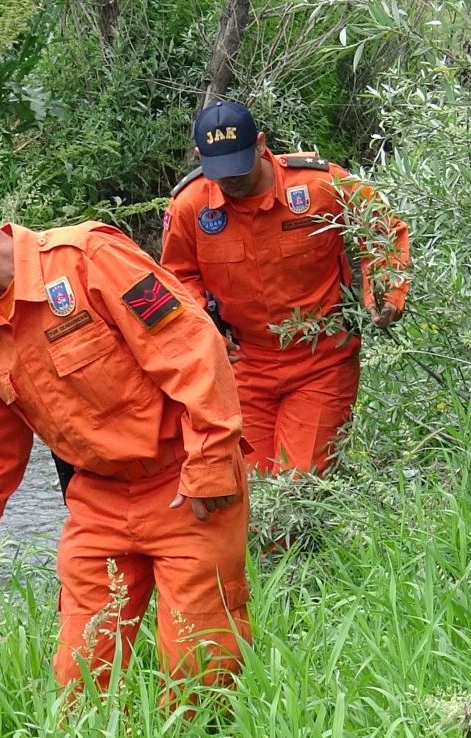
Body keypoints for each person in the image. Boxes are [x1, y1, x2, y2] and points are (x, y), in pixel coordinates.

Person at [0, 176, 251, 693]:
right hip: (97, 503)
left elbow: (195, 352)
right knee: (80, 680)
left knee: (198, 669)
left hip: (185, 488)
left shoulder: (87, 259)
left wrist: (211, 464)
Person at [161, 99, 410, 476]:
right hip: (244, 366)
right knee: (252, 492)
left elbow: (382, 228)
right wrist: (203, 330)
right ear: (200, 156)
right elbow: (179, 276)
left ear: (261, 144)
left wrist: (385, 290)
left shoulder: (319, 185)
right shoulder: (189, 207)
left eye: (239, 168)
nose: (231, 180)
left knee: (298, 484)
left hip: (322, 361)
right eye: (220, 171)